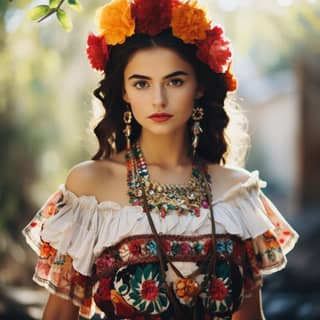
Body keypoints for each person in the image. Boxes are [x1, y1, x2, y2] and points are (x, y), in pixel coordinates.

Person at [23, 0, 299, 319]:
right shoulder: (89, 188)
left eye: (175, 81)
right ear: (124, 92)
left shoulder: (238, 194)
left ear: (197, 87)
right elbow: (58, 315)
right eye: (141, 83)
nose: (158, 99)